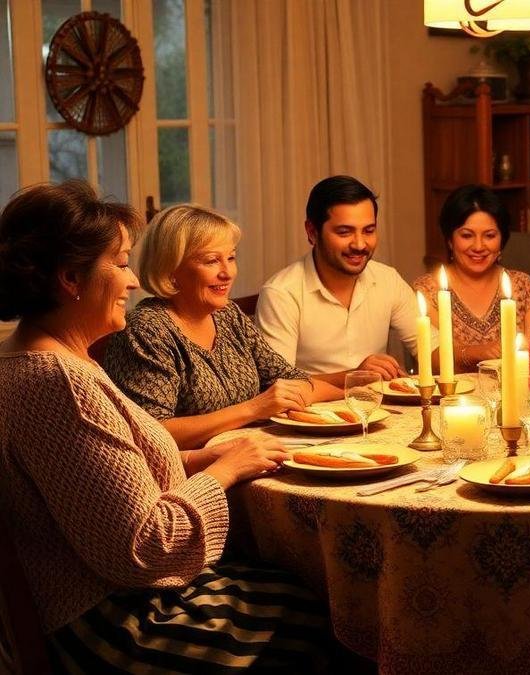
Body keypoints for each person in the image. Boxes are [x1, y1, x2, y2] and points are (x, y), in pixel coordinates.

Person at [0, 181, 330, 671]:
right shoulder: (58, 382)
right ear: (71, 278)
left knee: (303, 584)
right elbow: (146, 548)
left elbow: (114, 479)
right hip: (114, 625)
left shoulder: (46, 360)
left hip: (114, 599)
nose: (133, 282)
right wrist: (223, 474)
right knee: (326, 618)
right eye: (121, 264)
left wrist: (201, 459)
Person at [104, 204, 341, 448]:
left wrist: (358, 396)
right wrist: (253, 409)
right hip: (192, 475)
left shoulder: (228, 315)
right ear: (171, 268)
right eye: (211, 261)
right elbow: (153, 432)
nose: (227, 272)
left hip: (251, 454)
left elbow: (292, 380)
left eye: (231, 257)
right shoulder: (146, 329)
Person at [256, 175, 432, 383]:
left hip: (378, 411)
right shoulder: (281, 293)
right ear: (312, 232)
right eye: (344, 232)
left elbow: (433, 349)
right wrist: (356, 376)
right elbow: (277, 384)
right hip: (308, 412)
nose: (359, 244)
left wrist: (479, 355)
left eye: (369, 231)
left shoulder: (387, 279)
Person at [412, 184, 530, 369]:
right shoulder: (428, 290)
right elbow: (434, 361)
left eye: (489, 236)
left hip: (517, 393)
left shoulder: (522, 285)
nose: (478, 246)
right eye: (467, 236)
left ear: (502, 239)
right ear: (450, 240)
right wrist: (479, 352)